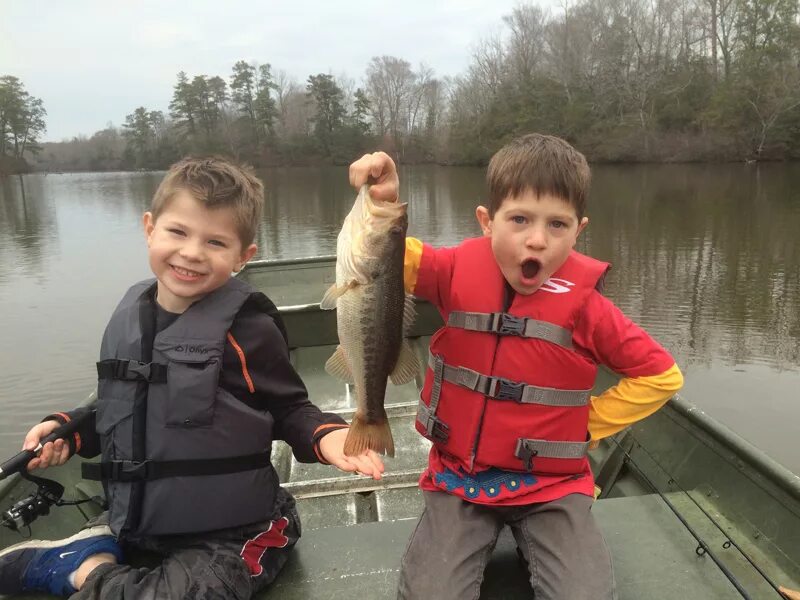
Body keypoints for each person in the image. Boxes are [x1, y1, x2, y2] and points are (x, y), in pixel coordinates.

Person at [0, 156, 384, 599]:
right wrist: (71, 430)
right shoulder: (133, 315)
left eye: (216, 242)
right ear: (149, 227)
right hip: (140, 521)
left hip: (239, 528)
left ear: (244, 257)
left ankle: (85, 568)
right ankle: (95, 556)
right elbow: (124, 410)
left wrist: (326, 437)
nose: (192, 252)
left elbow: (289, 407)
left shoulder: (247, 329)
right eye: (177, 232)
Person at [348, 134, 684, 600]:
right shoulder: (451, 271)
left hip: (552, 486)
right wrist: (382, 202)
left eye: (557, 225)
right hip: (458, 478)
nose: (537, 239)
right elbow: (379, 259)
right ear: (487, 221)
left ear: (578, 230)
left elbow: (662, 375)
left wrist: (584, 425)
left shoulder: (587, 308)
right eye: (520, 218)